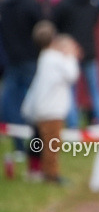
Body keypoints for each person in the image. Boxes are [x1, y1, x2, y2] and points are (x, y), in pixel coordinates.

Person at [21, 22, 80, 183]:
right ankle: (51, 175)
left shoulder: (44, 57)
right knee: (52, 145)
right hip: (52, 110)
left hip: (43, 108)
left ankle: (39, 172)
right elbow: (72, 75)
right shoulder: (55, 59)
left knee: (40, 142)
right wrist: (70, 55)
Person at [52, 0, 99, 126]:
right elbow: (96, 19)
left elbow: (56, 20)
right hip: (90, 49)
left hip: (69, 51)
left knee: (71, 91)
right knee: (96, 90)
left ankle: (73, 128)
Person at [1, 0, 44, 164]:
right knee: (34, 106)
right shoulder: (32, 4)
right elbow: (43, 28)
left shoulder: (5, 4)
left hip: (11, 61)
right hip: (30, 61)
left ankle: (18, 146)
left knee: (12, 105)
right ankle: (34, 148)